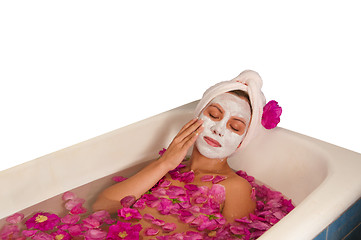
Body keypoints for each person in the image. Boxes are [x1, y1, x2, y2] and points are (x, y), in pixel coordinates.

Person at [93, 70, 268, 238]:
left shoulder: (236, 187)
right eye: (214, 115)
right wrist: (164, 164)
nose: (218, 130)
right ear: (197, 116)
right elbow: (101, 206)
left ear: (242, 142)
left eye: (235, 127)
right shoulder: (167, 165)